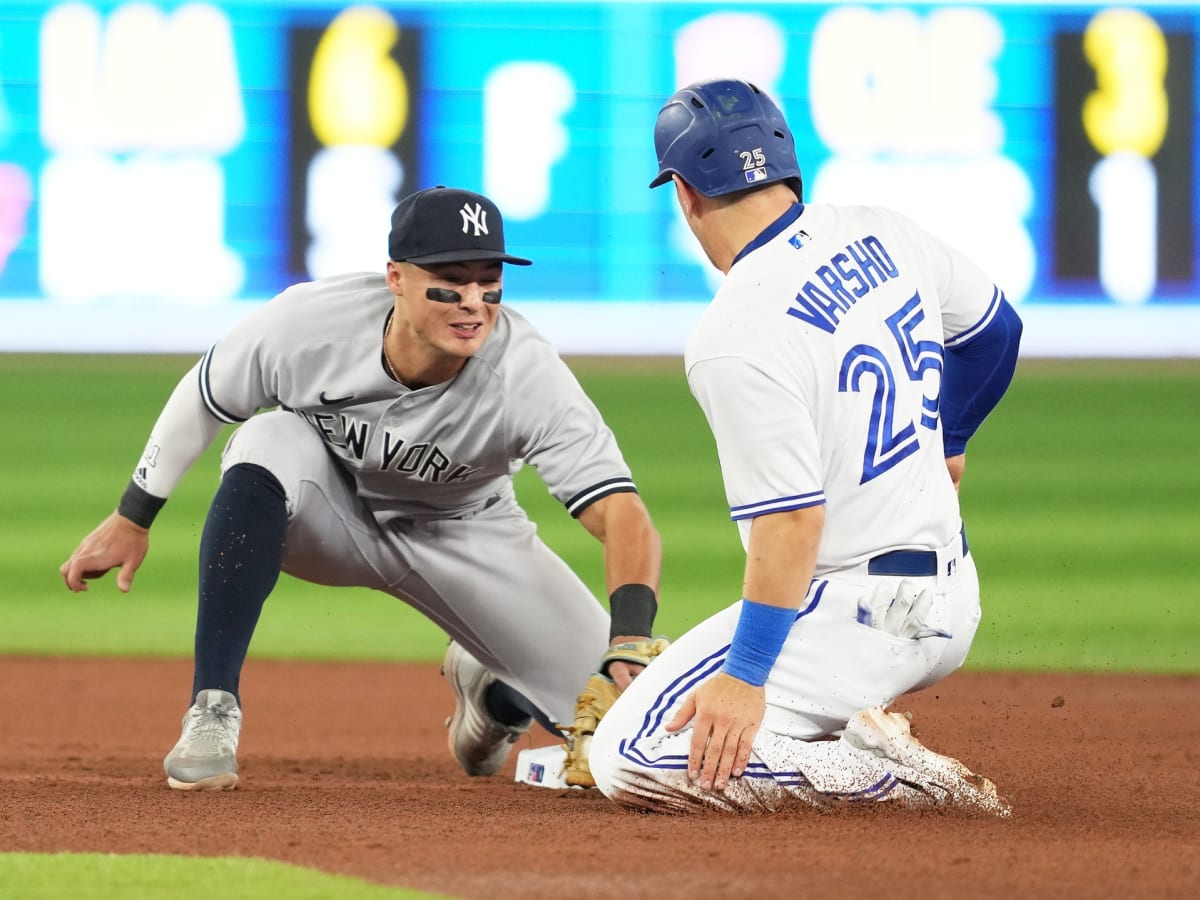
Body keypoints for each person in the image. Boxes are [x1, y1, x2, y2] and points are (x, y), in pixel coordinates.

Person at [60, 185, 663, 791]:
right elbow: (205, 394)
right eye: (450, 282)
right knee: (267, 438)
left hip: (468, 532)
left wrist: (631, 638)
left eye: (489, 282)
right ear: (395, 278)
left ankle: (496, 691)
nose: (474, 303)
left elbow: (621, 514)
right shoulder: (308, 324)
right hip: (329, 511)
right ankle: (212, 711)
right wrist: (133, 516)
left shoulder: (525, 372)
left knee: (633, 734)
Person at [588, 79, 1022, 815]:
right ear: (787, 166)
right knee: (684, 726)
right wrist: (951, 438)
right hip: (954, 595)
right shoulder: (885, 229)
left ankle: (887, 777)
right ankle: (837, 743)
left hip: (855, 613)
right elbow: (995, 332)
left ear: (685, 193)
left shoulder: (734, 332)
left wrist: (745, 677)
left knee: (628, 756)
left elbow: (791, 523)